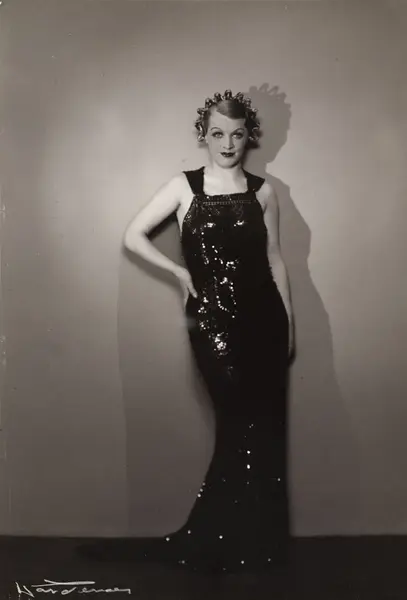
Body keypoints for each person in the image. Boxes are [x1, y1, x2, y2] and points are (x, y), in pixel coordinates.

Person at [81, 90, 294, 575]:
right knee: (239, 423)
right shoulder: (184, 186)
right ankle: (215, 540)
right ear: (204, 135)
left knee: (262, 429)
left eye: (237, 134)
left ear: (248, 137)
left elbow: (275, 259)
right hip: (213, 323)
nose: (228, 144)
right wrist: (179, 273)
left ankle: (252, 544)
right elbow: (132, 235)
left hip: (266, 321)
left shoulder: (264, 192)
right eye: (218, 133)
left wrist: (290, 324)